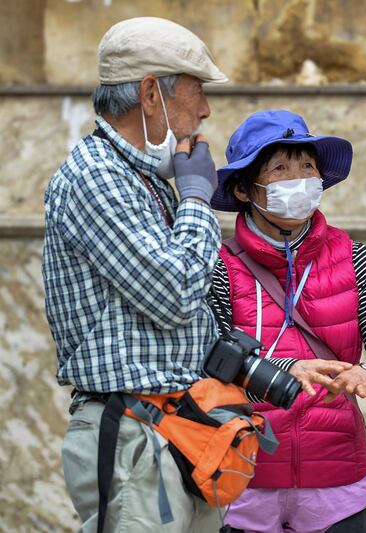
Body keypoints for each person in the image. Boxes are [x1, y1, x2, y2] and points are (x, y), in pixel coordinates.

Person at [41, 17, 231, 531]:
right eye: (197, 91)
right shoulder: (96, 176)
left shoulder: (143, 178)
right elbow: (175, 294)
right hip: (133, 436)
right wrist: (196, 197)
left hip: (178, 430)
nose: (206, 110)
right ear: (152, 94)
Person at [205, 109, 366, 533]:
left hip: (340, 491)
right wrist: (288, 370)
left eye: (307, 167)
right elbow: (208, 357)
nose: (298, 178)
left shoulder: (354, 258)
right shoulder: (218, 265)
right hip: (242, 487)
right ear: (246, 189)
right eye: (280, 168)